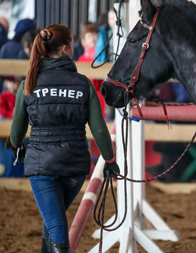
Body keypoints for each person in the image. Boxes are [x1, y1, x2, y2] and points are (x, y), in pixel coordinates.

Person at [7, 24, 119, 252]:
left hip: (42, 166)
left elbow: (16, 132)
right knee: (54, 221)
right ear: (66, 49)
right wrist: (109, 160)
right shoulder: (84, 84)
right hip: (75, 167)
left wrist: (17, 146)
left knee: (56, 225)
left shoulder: (29, 84)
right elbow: (99, 130)